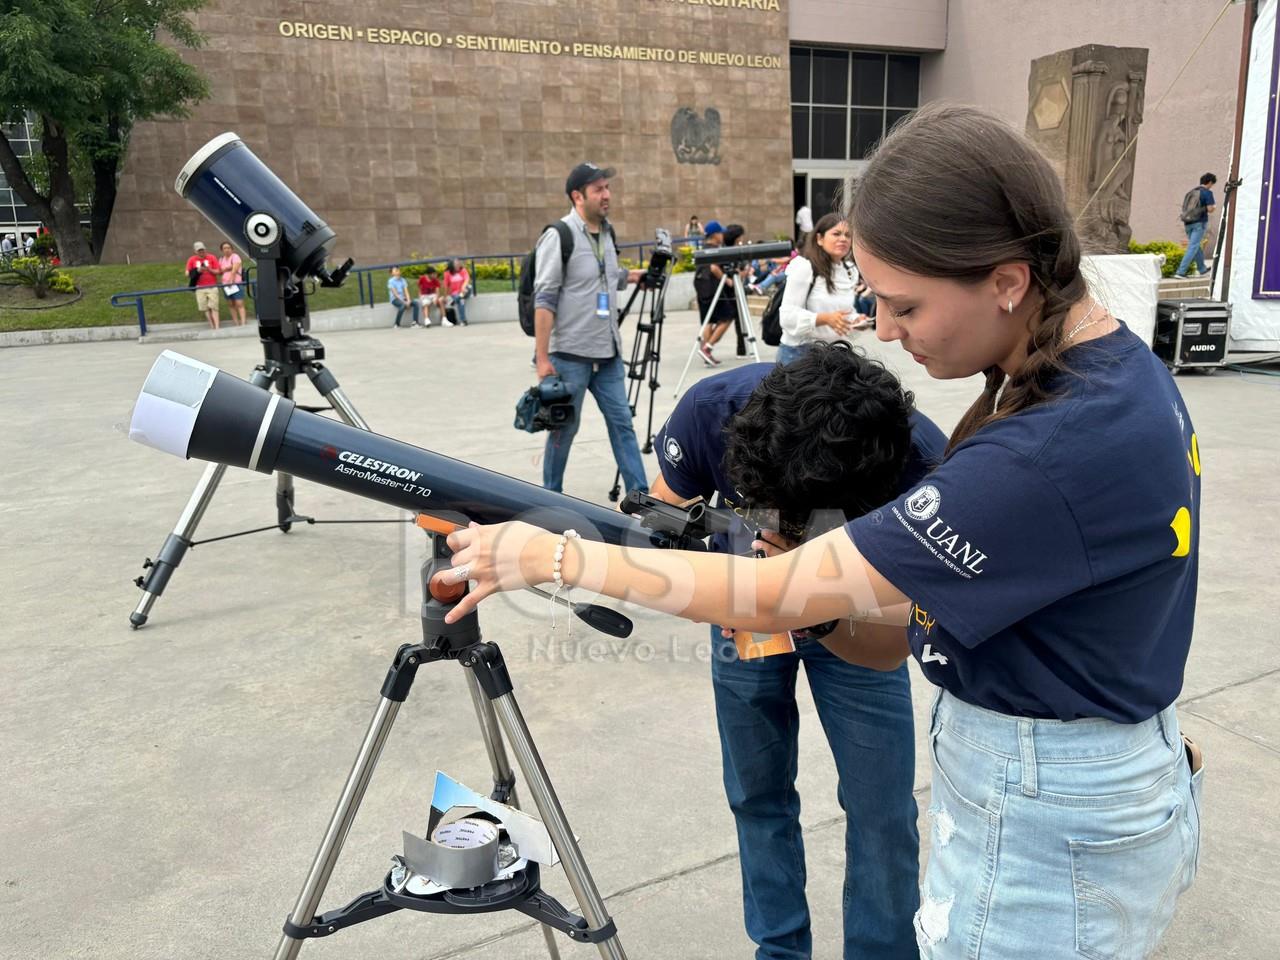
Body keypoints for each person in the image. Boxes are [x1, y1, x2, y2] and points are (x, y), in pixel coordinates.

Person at [442, 104, 1204, 960]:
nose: (884, 330)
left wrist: (551, 554)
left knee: (879, 811)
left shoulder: (1038, 449)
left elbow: (776, 593)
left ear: (1006, 279)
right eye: (875, 300)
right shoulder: (1113, 374)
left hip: (1042, 816)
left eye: (906, 304)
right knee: (759, 794)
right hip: (1077, 777)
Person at [652, 342, 945, 959]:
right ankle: (780, 951)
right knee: (756, 794)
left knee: (882, 808)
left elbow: (915, 615)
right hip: (744, 607)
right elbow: (662, 518)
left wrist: (827, 606)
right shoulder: (711, 413)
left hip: (863, 614)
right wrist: (733, 578)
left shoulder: (916, 457)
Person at [532, 161, 649, 496]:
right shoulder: (559, 236)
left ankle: (639, 498)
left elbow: (606, 275)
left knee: (622, 425)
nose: (606, 194)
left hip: (608, 353)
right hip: (570, 356)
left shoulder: (607, 232)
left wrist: (633, 276)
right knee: (563, 430)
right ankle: (549, 497)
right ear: (577, 196)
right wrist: (542, 358)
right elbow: (545, 298)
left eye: (607, 188)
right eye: (598, 189)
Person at [778, 214, 870, 365]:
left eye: (848, 235)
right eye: (836, 234)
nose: (843, 239)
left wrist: (856, 320)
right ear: (819, 239)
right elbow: (787, 317)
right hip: (800, 354)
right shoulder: (804, 266)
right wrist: (825, 318)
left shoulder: (849, 270)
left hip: (835, 353)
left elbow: (842, 313)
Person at [694, 221, 746, 366]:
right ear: (715, 235)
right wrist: (728, 281)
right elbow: (714, 268)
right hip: (712, 287)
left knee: (708, 321)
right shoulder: (715, 250)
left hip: (700, 286)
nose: (722, 235)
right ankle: (707, 348)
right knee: (727, 317)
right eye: (720, 233)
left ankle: (706, 353)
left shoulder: (703, 248)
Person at [1175, 172, 1217, 278]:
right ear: (1210, 182)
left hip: (1187, 223)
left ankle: (1202, 268)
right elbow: (1210, 209)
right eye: (1212, 184)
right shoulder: (1207, 193)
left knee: (1196, 245)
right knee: (1193, 246)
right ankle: (1180, 272)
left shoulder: (1190, 192)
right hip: (1199, 223)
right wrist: (1214, 207)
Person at [185, 241, 222, 329]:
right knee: (205, 308)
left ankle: (217, 327)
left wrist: (210, 270)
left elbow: (218, 271)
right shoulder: (191, 259)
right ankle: (212, 325)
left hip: (212, 286)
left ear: (205, 249)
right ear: (195, 251)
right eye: (199, 251)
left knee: (214, 307)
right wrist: (197, 271)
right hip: (199, 287)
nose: (201, 252)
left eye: (202, 250)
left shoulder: (212, 257)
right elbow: (187, 273)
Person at [217, 241, 248, 326]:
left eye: (228, 248)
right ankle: (236, 322)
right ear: (222, 250)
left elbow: (234, 269)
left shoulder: (235, 257)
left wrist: (231, 279)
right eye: (224, 248)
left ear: (232, 249)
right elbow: (220, 271)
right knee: (231, 304)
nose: (226, 250)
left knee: (239, 303)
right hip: (225, 285)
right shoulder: (221, 259)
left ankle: (243, 322)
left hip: (236, 283)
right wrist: (226, 268)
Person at [442, 258, 471, 326]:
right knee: (461, 300)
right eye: (456, 264)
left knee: (469, 287)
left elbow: (467, 279)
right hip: (455, 293)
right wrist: (445, 296)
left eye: (458, 264)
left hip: (465, 291)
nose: (458, 265)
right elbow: (446, 286)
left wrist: (463, 287)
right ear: (452, 265)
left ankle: (455, 300)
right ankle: (463, 320)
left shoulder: (463, 270)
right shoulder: (447, 273)